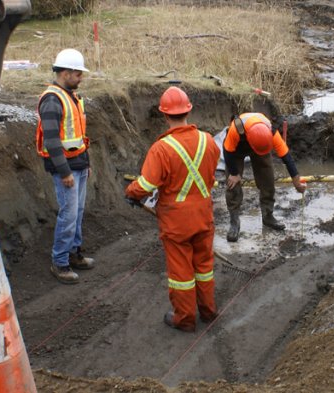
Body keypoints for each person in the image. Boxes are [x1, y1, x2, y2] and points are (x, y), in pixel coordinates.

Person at [125, 86, 220, 332]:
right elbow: (209, 177)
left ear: (165, 115)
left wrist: (131, 192)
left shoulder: (162, 149)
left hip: (176, 222)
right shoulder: (208, 141)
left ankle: (185, 319)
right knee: (203, 267)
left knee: (181, 272)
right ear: (188, 110)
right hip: (203, 215)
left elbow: (146, 184)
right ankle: (208, 311)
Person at [36, 48, 95, 284]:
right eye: (78, 74)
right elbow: (51, 141)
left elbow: (77, 136)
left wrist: (85, 164)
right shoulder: (52, 100)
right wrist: (65, 172)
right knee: (68, 215)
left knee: (77, 212)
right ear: (66, 73)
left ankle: (74, 253)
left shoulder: (70, 96)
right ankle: (60, 262)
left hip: (78, 164)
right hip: (66, 169)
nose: (81, 78)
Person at [222, 113, 306, 242]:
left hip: (261, 145)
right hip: (236, 149)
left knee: (268, 179)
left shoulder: (271, 133)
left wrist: (297, 182)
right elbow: (227, 151)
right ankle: (234, 222)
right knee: (232, 184)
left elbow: (287, 157)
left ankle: (268, 216)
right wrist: (234, 173)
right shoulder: (236, 129)